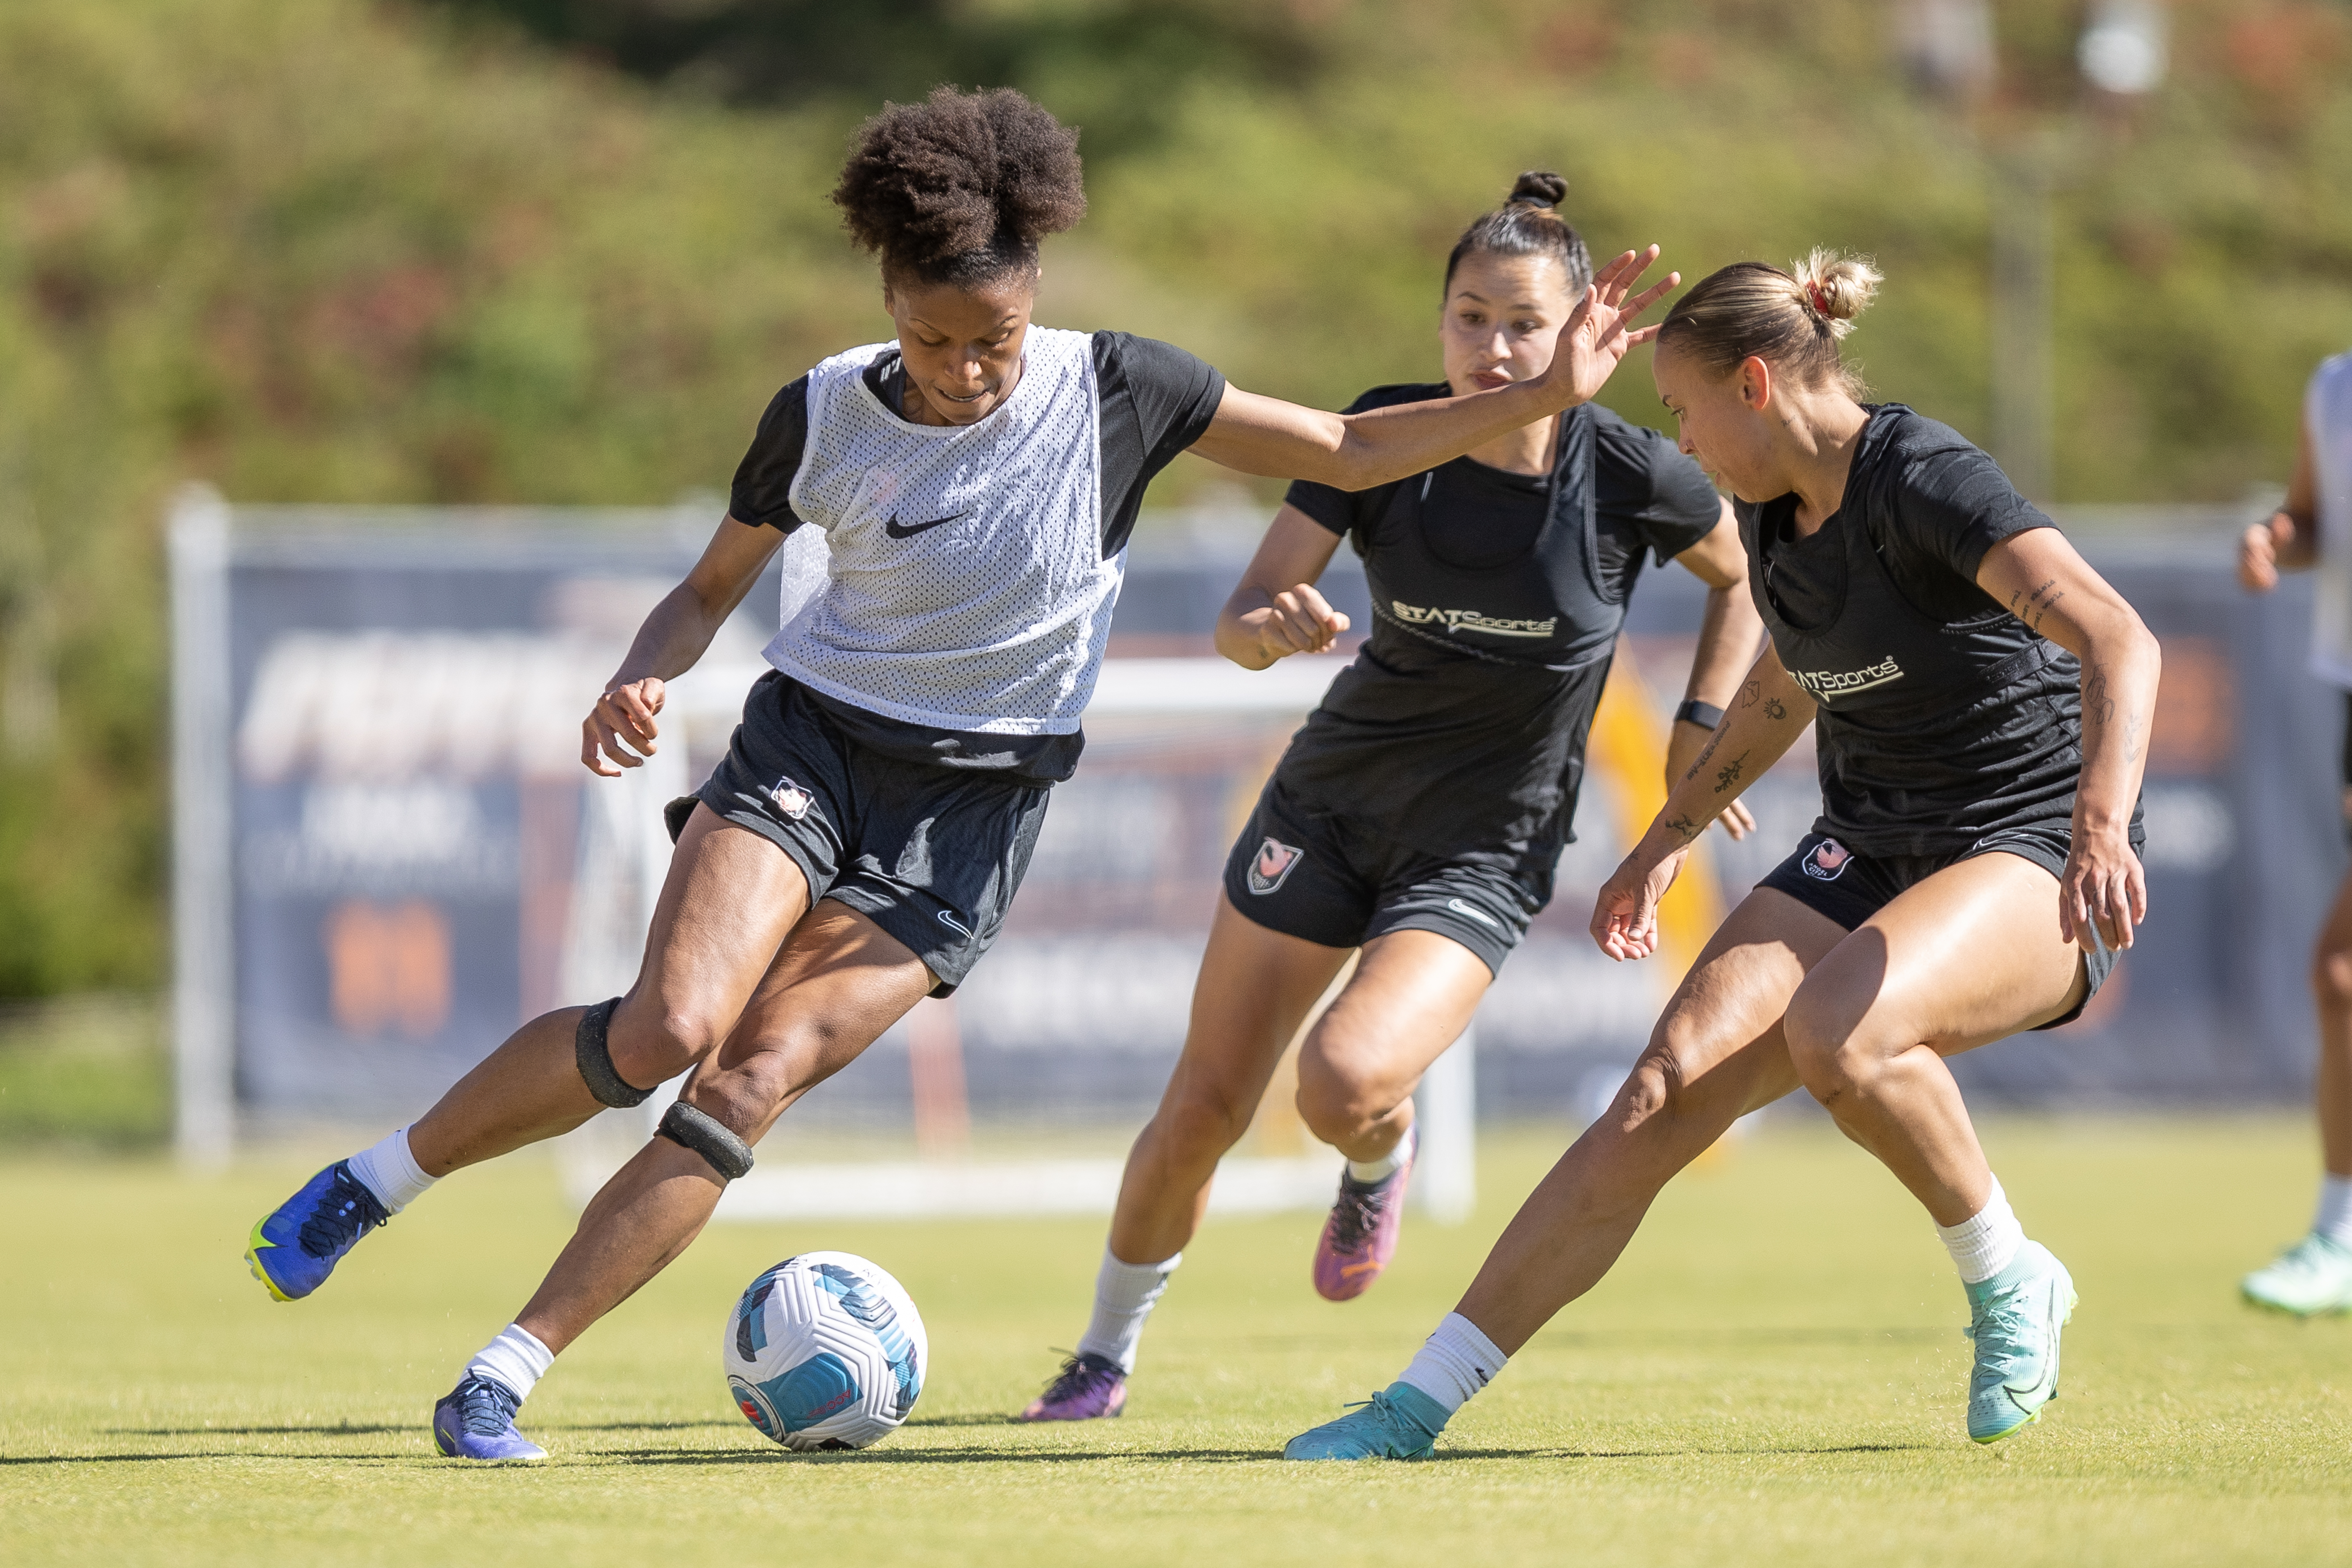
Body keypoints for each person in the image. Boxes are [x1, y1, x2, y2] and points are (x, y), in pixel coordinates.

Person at [239, 87, 1684, 1462]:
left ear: (1033, 297)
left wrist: (1542, 395)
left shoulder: (1122, 388)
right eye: (937, 345)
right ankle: (378, 1180)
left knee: (751, 1080)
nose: (967, 374)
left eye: (991, 342)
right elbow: (706, 590)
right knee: (662, 1028)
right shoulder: (817, 414)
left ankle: (503, 1375)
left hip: (976, 809)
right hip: (816, 742)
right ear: (890, 309)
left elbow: (1355, 445)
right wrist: (645, 672)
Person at [1282, 250, 2161, 1460]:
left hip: (2031, 842)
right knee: (1655, 1096)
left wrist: (2103, 823)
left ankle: (2013, 1276)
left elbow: (2118, 633)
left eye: (1683, 410)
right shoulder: (1769, 506)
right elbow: (1787, 683)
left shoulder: (1925, 476)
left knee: (1843, 1033)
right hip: (1869, 842)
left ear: (1755, 384)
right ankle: (1414, 1404)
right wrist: (1665, 837)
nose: (1679, 440)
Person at [1018, 173, 1762, 1424]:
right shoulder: (1380, 436)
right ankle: (1101, 1354)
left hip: (1485, 844)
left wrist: (1700, 735)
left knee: (1343, 1081)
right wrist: (1276, 626)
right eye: (1470, 317)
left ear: (1591, 331)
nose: (1494, 346)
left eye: (1524, 322)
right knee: (1204, 1100)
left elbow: (1744, 582)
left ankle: (1378, 1150)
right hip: (1330, 803)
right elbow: (1239, 621)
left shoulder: (1636, 476)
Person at [2236, 347, 2352, 1315]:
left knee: (2341, 970)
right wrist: (2281, 534)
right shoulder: (2333, 384)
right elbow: (2318, 519)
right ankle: (2341, 1235)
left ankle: (2340, 1234)